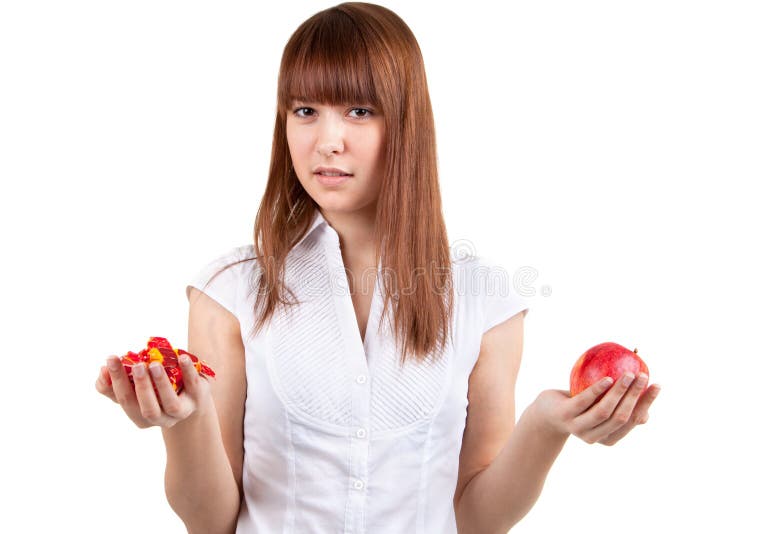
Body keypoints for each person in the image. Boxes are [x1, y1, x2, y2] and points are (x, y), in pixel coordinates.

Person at [96, 3, 661, 533]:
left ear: (407, 124)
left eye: (359, 111)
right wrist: (184, 421)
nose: (327, 141)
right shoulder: (231, 291)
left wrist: (546, 425)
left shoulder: (486, 301)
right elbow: (211, 521)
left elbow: (477, 519)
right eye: (305, 110)